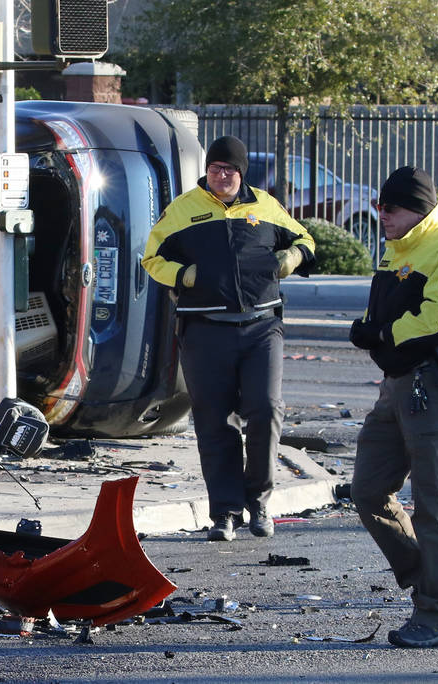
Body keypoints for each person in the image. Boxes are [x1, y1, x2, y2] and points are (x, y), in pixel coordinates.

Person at [141, 135, 315, 541]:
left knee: (266, 409)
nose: (222, 175)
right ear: (207, 170)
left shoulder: (266, 207)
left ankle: (259, 502)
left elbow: (305, 239)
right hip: (204, 329)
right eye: (216, 168)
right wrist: (185, 276)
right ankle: (224, 512)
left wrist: (288, 259)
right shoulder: (183, 210)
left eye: (230, 169)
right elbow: (151, 259)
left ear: (242, 172)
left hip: (261, 327)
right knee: (214, 422)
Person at [349, 166, 438, 648]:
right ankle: (425, 580)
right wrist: (370, 326)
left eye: (392, 208)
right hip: (396, 386)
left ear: (419, 209)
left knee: (431, 508)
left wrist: (382, 333)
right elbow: (387, 309)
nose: (381, 216)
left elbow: (437, 321)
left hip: (436, 390)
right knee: (366, 489)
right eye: (379, 207)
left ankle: (436, 616)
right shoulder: (397, 249)